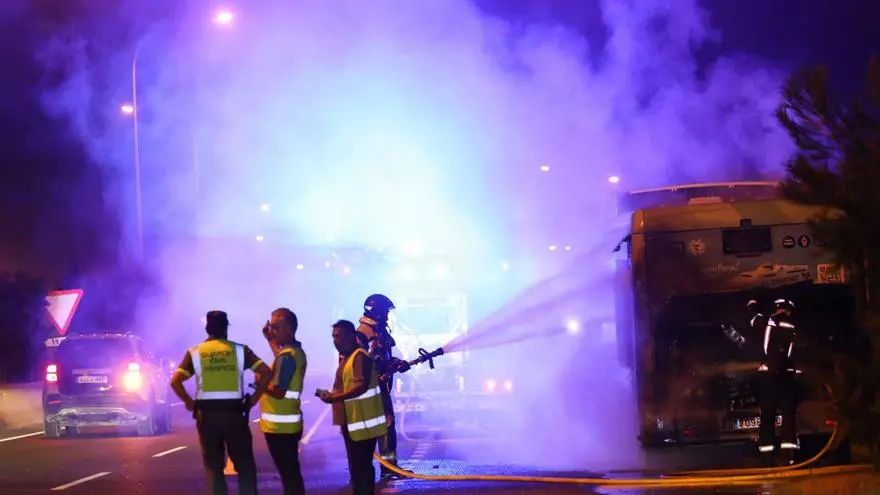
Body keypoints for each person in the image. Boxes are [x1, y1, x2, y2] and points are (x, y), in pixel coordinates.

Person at [170, 310, 272, 495]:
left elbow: (175, 382)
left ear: (207, 329)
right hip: (235, 415)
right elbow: (266, 372)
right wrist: (255, 398)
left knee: (214, 468)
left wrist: (188, 402)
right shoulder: (240, 350)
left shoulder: (195, 352)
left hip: (206, 418)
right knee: (245, 467)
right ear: (226, 328)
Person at [319, 319, 388, 495]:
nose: (336, 341)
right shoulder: (348, 358)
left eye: (339, 336)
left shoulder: (359, 357)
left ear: (352, 336)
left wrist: (334, 397)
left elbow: (360, 386)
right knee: (357, 469)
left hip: (362, 423)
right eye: (333, 337)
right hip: (354, 423)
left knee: (361, 469)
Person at [355, 294, 408, 479]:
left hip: (379, 386)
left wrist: (396, 363)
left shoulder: (377, 331)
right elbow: (361, 362)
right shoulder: (364, 333)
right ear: (375, 311)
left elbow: (380, 357)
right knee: (385, 425)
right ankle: (388, 468)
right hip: (372, 388)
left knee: (386, 425)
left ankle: (389, 467)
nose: (387, 315)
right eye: (385, 311)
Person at [259, 308, 308, 495]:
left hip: (280, 426)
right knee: (291, 474)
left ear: (288, 328)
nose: (271, 330)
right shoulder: (294, 352)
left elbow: (278, 391)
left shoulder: (287, 356)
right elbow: (281, 361)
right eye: (270, 327)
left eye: (275, 327)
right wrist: (271, 340)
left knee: (289, 476)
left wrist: (261, 383)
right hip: (288, 423)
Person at [747, 297, 801, 467]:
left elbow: (752, 318)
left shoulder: (763, 321)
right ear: (787, 309)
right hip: (784, 376)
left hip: (767, 378)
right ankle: (788, 458)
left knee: (767, 416)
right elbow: (795, 352)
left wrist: (752, 303)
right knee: (789, 415)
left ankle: (767, 459)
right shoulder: (790, 325)